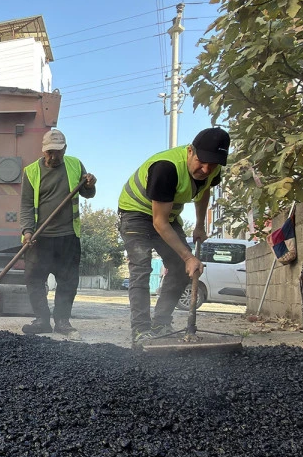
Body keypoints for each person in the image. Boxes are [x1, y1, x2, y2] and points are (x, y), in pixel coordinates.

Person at [118, 127, 229, 342]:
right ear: (190, 151)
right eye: (201, 162)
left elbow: (204, 190)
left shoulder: (213, 169)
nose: (206, 169)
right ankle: (141, 329)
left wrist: (199, 225)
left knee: (179, 267)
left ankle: (161, 323)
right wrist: (189, 256)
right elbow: (158, 222)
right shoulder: (166, 168)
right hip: (135, 213)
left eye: (212, 165)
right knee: (141, 267)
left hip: (167, 216)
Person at [18, 129, 97, 336]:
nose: (53, 157)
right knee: (34, 279)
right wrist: (27, 231)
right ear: (43, 150)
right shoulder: (31, 171)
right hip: (39, 238)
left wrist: (90, 184)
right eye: (49, 152)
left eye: (57, 152)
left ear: (65, 149)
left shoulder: (75, 165)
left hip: (67, 236)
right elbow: (26, 205)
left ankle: (62, 321)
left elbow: (87, 193)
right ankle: (42, 320)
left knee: (68, 281)